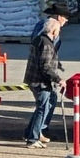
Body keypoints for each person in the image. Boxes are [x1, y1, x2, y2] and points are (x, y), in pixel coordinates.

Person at [23, 17, 64, 149]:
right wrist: (58, 79)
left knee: (40, 108)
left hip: (34, 79)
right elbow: (45, 67)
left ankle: (30, 133)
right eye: (58, 30)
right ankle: (32, 138)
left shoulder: (38, 39)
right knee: (42, 109)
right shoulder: (47, 44)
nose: (59, 32)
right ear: (53, 30)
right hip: (40, 82)